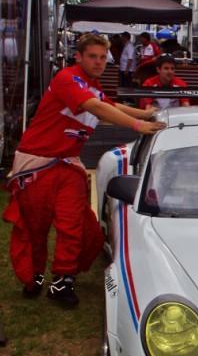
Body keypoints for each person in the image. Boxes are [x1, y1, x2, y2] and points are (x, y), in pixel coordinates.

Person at [3, 33, 165, 307]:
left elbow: (108, 105)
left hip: (67, 164)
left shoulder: (93, 86)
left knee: (73, 223)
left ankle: (62, 280)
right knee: (34, 228)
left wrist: (145, 115)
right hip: (37, 163)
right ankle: (34, 277)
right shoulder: (67, 78)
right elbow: (96, 107)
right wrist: (137, 126)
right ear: (78, 56)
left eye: (103, 57)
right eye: (93, 56)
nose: (99, 62)